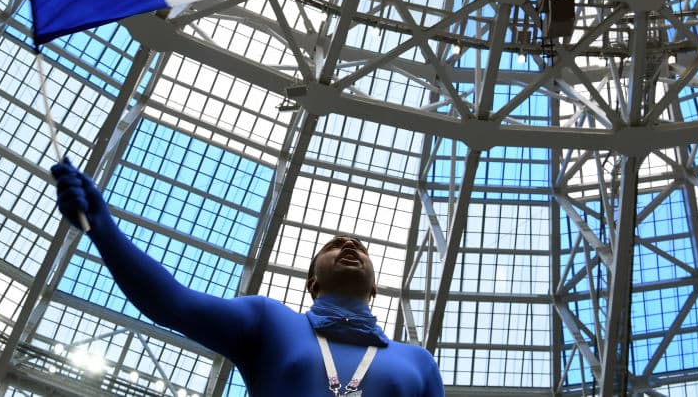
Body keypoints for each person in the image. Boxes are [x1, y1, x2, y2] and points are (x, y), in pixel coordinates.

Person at [51, 158, 445, 396]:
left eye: (358, 247)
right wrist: (101, 228)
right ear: (312, 283)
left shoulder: (419, 361)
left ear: (374, 286)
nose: (348, 247)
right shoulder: (270, 321)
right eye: (334, 245)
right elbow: (172, 303)